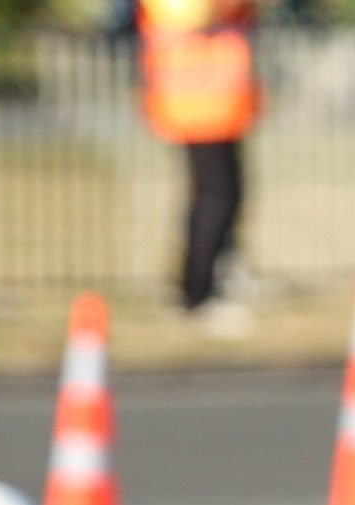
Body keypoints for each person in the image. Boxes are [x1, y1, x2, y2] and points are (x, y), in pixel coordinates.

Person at [137, 0, 259, 328]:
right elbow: (190, 12)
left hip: (219, 102)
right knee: (214, 198)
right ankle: (196, 294)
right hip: (197, 101)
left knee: (227, 194)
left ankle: (218, 276)